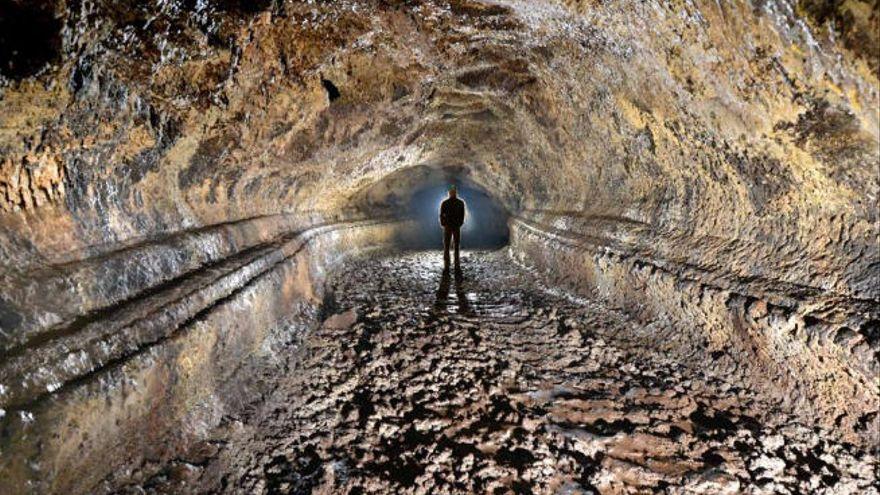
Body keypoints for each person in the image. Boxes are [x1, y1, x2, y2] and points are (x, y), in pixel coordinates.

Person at [439, 185, 466, 269]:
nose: (452, 194)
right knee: (447, 244)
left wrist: (460, 223)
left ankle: (456, 260)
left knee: (456, 243)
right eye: (451, 192)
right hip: (449, 225)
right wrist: (443, 223)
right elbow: (441, 214)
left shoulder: (460, 203)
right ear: (449, 193)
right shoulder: (446, 203)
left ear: (455, 193)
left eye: (453, 192)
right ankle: (447, 260)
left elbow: (462, 214)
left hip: (455, 225)